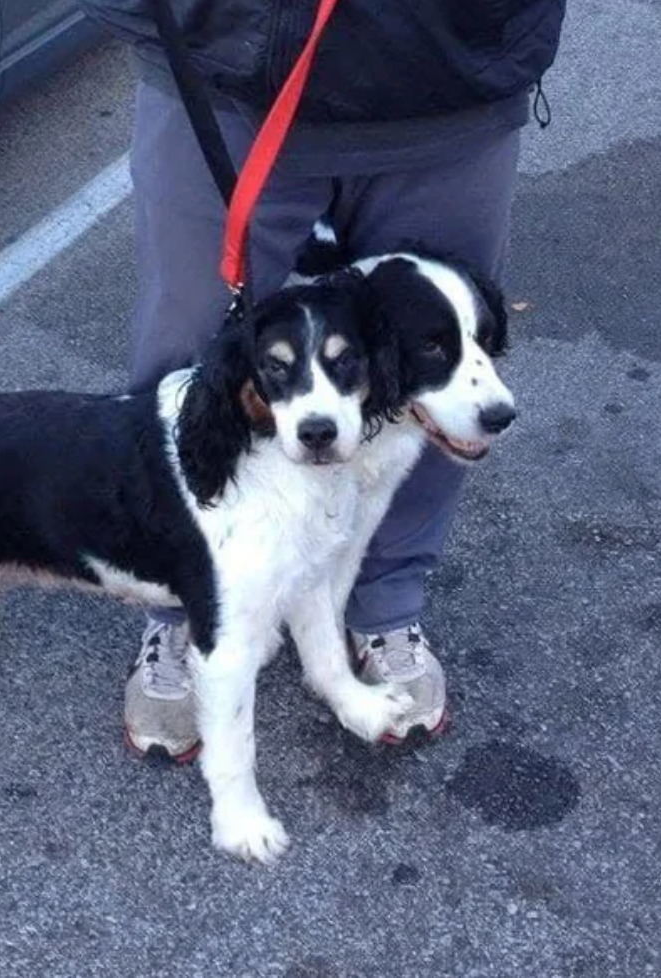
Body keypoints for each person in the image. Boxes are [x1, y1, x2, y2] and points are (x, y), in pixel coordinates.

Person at [81, 0, 567, 757]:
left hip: (453, 71)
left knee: (434, 369)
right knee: (188, 360)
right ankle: (182, 606)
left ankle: (386, 600)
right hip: (224, 62)